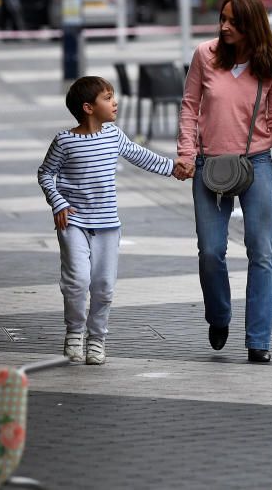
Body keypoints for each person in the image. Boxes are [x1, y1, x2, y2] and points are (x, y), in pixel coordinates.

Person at [38, 76, 189, 365]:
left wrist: (173, 168)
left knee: (104, 285)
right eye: (107, 98)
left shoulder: (114, 135)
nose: (114, 102)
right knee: (77, 281)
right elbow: (45, 173)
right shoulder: (64, 141)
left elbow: (139, 155)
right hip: (74, 223)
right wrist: (58, 202)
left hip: (108, 225)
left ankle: (96, 339)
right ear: (88, 107)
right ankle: (74, 332)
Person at [176, 0, 272, 364]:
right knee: (210, 251)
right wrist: (186, 154)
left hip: (256, 164)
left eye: (233, 22)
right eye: (222, 19)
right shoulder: (205, 55)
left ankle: (259, 339)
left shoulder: (270, 61)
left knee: (262, 252)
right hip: (209, 164)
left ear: (251, 26)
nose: (224, 27)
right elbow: (190, 107)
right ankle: (219, 315)